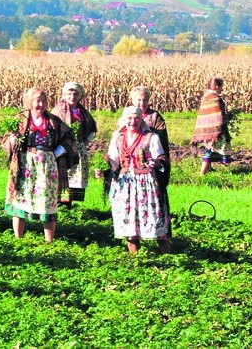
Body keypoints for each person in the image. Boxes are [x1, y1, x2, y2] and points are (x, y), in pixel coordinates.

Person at [1, 87, 77, 243]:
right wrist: (14, 139)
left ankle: (49, 241)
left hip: (47, 167)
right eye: (38, 101)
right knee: (21, 198)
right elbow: (6, 141)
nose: (41, 105)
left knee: (47, 201)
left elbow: (69, 137)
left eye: (44, 101)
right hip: (25, 165)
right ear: (29, 102)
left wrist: (58, 151)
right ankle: (18, 239)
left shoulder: (52, 120)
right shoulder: (21, 119)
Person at [107, 106, 170, 254]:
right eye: (129, 118)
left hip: (146, 184)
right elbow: (114, 163)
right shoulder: (118, 138)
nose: (133, 121)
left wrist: (156, 163)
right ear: (124, 120)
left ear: (141, 119)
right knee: (129, 222)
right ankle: (135, 258)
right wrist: (106, 165)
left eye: (136, 118)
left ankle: (166, 255)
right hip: (125, 184)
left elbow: (161, 157)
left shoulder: (151, 137)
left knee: (153, 220)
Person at [130, 86, 172, 237]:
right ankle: (134, 233)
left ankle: (159, 233)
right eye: (138, 100)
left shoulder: (155, 117)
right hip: (131, 167)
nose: (142, 103)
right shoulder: (129, 115)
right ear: (132, 100)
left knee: (155, 200)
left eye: (145, 100)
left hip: (150, 164)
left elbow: (161, 143)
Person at [50, 82, 97, 207]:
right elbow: (53, 128)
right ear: (64, 95)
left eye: (75, 94)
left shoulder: (82, 111)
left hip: (79, 149)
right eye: (69, 93)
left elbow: (92, 127)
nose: (72, 96)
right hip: (63, 150)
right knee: (65, 176)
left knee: (76, 178)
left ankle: (71, 208)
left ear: (79, 96)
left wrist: (87, 139)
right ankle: (62, 206)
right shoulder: (59, 110)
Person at [191, 77, 231, 175]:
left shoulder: (206, 97)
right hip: (213, 130)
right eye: (221, 87)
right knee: (209, 150)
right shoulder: (215, 98)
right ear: (217, 87)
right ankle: (202, 174)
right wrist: (228, 117)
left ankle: (209, 169)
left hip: (204, 129)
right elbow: (219, 116)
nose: (222, 89)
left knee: (208, 148)